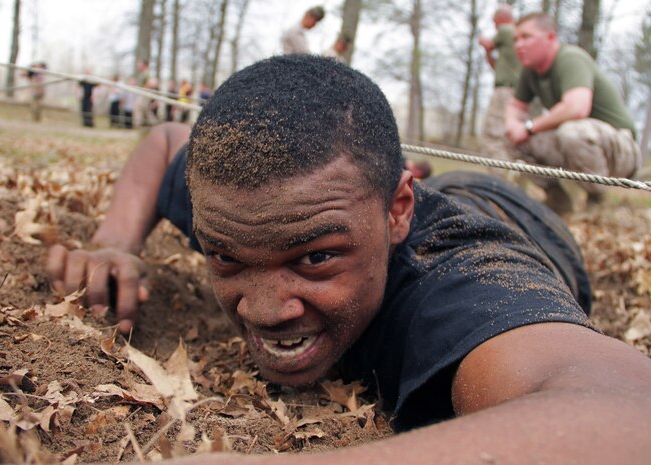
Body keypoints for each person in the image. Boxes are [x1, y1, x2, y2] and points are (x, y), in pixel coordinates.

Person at [47, 55, 651, 464]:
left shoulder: (459, 283)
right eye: (225, 259)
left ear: (397, 213)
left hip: (516, 214)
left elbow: (631, 412)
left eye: (314, 259)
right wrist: (114, 243)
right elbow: (164, 142)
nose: (263, 310)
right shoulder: (249, 200)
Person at [505, 12, 642, 213]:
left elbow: (577, 107)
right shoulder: (530, 72)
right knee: (516, 140)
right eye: (516, 39)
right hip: (578, 144)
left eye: (526, 37)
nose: (518, 45)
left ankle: (597, 200)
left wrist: (528, 127)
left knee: (571, 132)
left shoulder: (570, 58)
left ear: (550, 38)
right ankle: (558, 199)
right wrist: (513, 127)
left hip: (621, 148)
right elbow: (515, 106)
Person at [478, 4, 522, 169]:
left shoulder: (506, 30)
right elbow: (494, 65)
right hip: (516, 92)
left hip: (505, 90)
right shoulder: (516, 39)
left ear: (502, 18)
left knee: (493, 135)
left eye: (494, 22)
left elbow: (489, 44)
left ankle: (497, 178)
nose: (495, 26)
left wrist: (482, 41)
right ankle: (513, 172)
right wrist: (487, 51)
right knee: (509, 137)